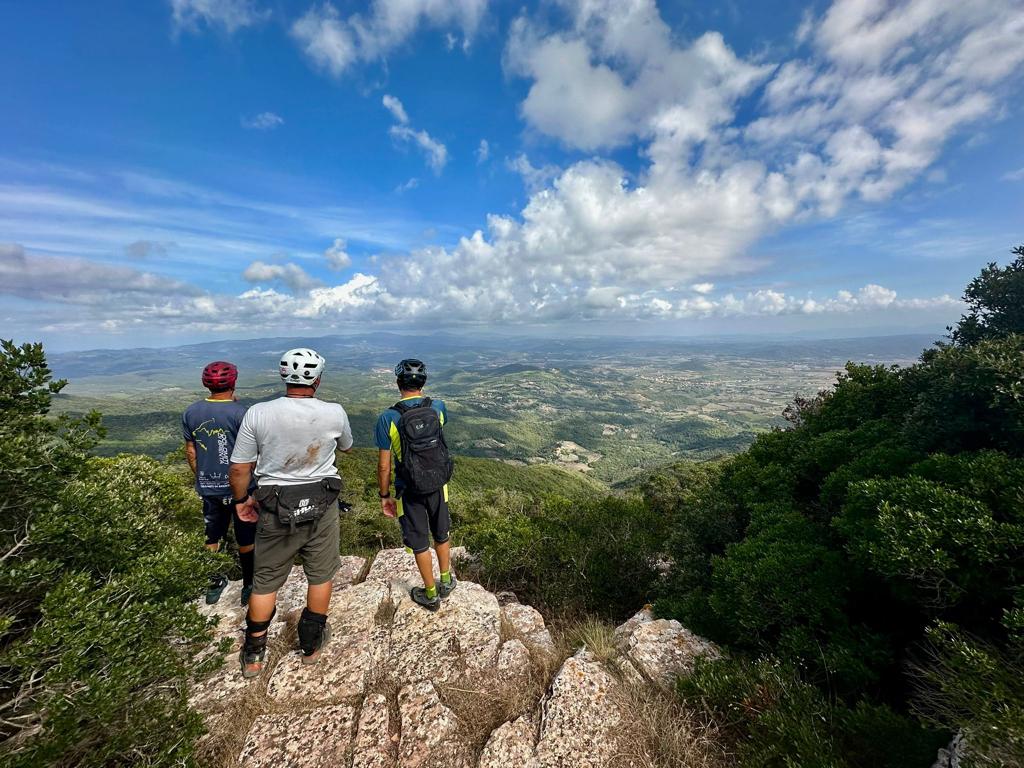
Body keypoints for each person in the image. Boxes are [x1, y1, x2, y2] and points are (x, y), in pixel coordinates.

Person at [229, 348, 354, 678]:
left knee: (265, 581)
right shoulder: (334, 412)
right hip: (322, 503)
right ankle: (311, 644)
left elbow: (240, 467)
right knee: (321, 574)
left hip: (274, 506)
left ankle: (254, 653)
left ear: (283, 376)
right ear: (318, 379)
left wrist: (241, 501)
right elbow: (346, 446)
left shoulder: (258, 413)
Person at [375, 358, 455, 612]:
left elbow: (384, 466)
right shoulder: (438, 407)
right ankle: (446, 580)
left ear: (398, 383)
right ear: (423, 382)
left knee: (420, 541)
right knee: (441, 532)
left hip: (408, 489)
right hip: (438, 484)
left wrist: (384, 495)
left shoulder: (387, 418)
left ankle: (430, 594)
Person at [182, 361, 256, 606]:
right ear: (234, 382)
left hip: (209, 487)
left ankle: (214, 584)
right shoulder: (242, 413)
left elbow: (191, 451)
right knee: (246, 536)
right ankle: (248, 585)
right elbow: (251, 455)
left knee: (212, 537)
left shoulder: (191, 412)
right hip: (241, 488)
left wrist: (202, 476)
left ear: (206, 384)